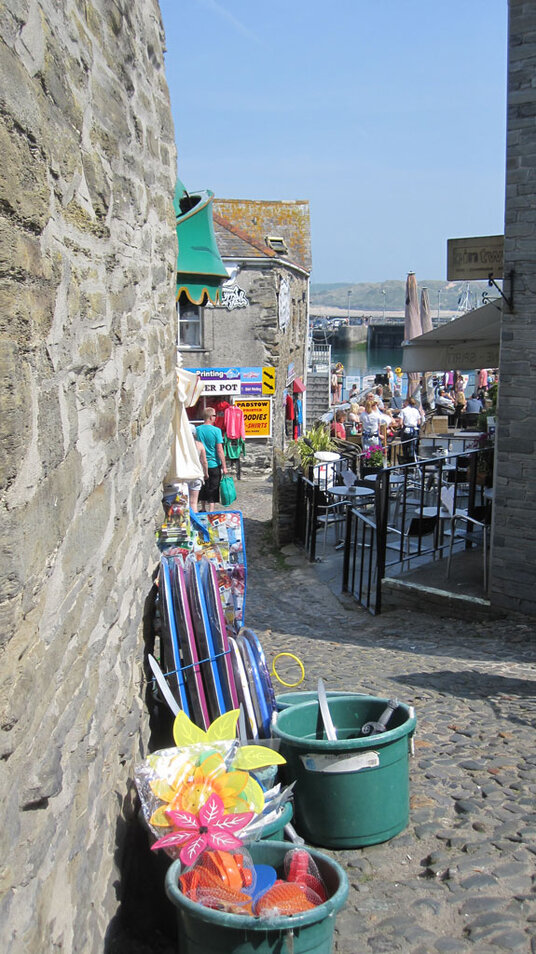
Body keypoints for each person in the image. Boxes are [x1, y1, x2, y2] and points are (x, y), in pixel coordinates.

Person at [196, 407, 228, 513]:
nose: (215, 417)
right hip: (214, 464)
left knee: (203, 486)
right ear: (210, 417)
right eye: (215, 415)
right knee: (213, 487)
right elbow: (219, 450)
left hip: (201, 464)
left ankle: (203, 507)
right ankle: (211, 510)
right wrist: (224, 466)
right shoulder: (216, 431)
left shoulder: (198, 430)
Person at [188, 424, 209, 512]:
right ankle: (194, 524)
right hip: (197, 474)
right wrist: (206, 473)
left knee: (184, 502)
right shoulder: (199, 445)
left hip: (185, 475)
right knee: (194, 503)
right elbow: (204, 461)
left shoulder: (182, 446)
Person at [399, 397, 422, 462]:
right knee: (413, 447)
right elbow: (419, 422)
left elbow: (400, 423)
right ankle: (412, 463)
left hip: (406, 430)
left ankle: (406, 461)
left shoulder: (403, 410)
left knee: (405, 447)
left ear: (407, 402)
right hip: (414, 430)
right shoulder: (416, 410)